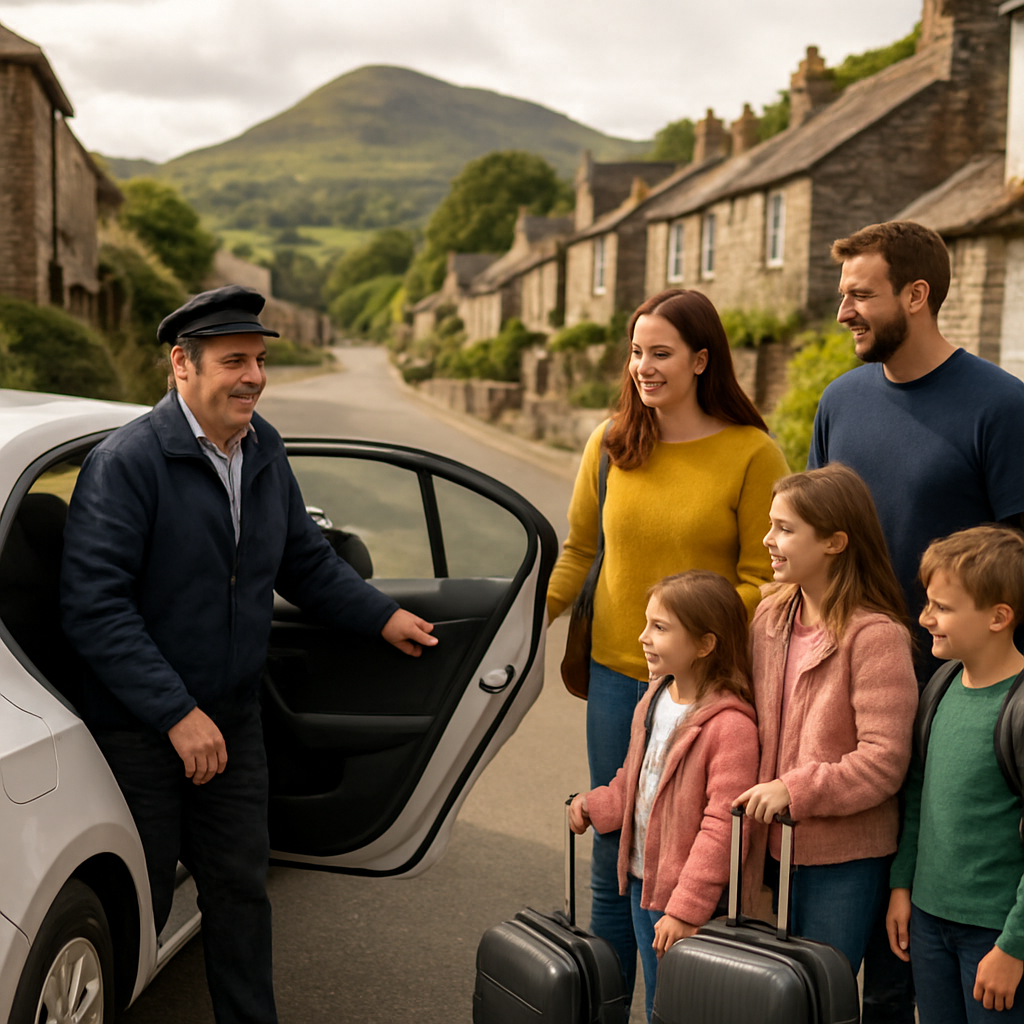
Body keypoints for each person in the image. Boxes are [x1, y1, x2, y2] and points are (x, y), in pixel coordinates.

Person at [59, 286, 437, 1024]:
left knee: (239, 893)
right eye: (235, 361)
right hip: (140, 734)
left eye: (260, 360)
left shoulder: (262, 447)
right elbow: (94, 608)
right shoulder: (127, 462)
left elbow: (303, 561)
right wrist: (176, 714)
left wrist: (382, 615)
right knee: (143, 901)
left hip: (232, 720)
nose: (254, 377)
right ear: (182, 365)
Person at [546, 288, 788, 1002]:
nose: (643, 367)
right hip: (618, 678)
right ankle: (607, 1007)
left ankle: (677, 1002)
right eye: (635, 351)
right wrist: (523, 617)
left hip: (705, 692)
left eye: (660, 353)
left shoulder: (751, 452)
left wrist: (688, 637)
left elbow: (764, 579)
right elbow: (579, 552)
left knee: (681, 859)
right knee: (612, 850)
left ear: (701, 359)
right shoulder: (611, 442)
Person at [809, 219, 1024, 1021]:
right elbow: (813, 539)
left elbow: (1019, 565)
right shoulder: (840, 400)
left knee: (918, 942)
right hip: (843, 698)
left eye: (859, 295)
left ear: (916, 294)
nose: (844, 312)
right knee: (846, 921)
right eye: (843, 296)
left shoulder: (1001, 406)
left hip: (951, 704)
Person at [735, 464, 918, 977]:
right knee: (765, 999)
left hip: (841, 863)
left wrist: (795, 789)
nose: (768, 540)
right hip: (761, 849)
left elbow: (884, 762)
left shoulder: (875, 636)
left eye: (785, 529)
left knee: (819, 997)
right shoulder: (768, 616)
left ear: (836, 542)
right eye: (771, 525)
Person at [568, 571, 759, 1022]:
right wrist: (595, 805)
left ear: (706, 644)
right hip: (643, 886)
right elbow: (633, 781)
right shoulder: (655, 698)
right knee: (659, 1000)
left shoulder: (731, 727)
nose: (643, 637)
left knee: (679, 1008)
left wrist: (687, 908)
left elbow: (725, 826)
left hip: (686, 901)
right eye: (647, 623)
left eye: (660, 627)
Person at [887, 527, 1024, 1023]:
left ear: (998, 617)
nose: (925, 618)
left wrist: (1014, 947)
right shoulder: (940, 686)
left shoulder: (1019, 706)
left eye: (941, 607)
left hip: (996, 937)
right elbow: (919, 793)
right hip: (926, 923)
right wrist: (902, 887)